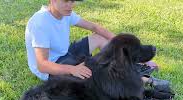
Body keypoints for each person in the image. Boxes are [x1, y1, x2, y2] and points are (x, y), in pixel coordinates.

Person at [25, 0, 170, 89]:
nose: (71, 5)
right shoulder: (41, 23)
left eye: (73, 0)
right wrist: (72, 69)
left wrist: (123, 44)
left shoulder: (64, 13)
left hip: (65, 54)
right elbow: (42, 65)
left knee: (99, 37)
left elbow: (96, 28)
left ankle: (132, 64)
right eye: (66, 1)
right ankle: (144, 80)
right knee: (97, 71)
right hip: (51, 68)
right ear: (52, 0)